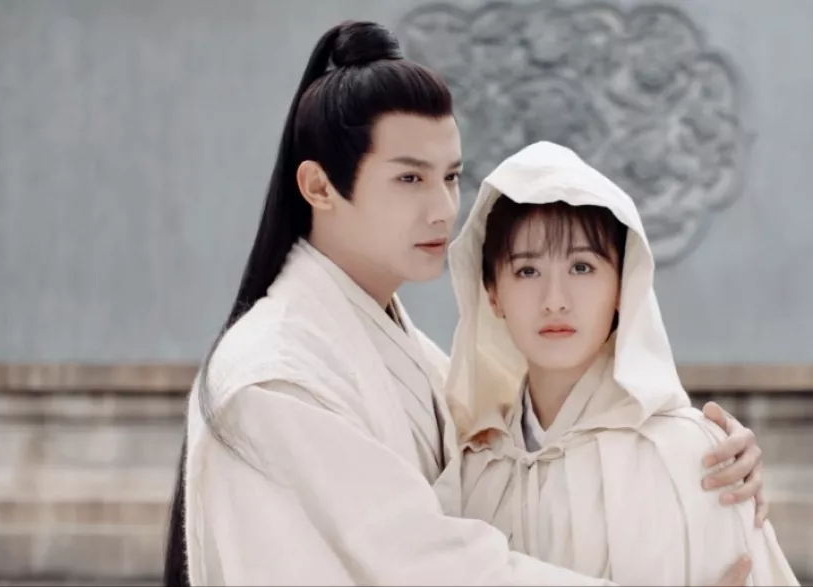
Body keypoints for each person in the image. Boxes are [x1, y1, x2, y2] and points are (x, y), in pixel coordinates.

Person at [163, 21, 768, 586]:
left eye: (450, 177)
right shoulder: (278, 379)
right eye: (410, 178)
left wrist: (693, 455)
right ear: (319, 186)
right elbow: (429, 564)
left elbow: (532, 441)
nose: (442, 209)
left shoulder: (407, 357)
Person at [445, 141, 798, 585]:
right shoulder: (477, 468)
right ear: (493, 294)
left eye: (582, 267)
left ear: (621, 287)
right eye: (527, 271)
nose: (555, 301)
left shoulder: (691, 454)